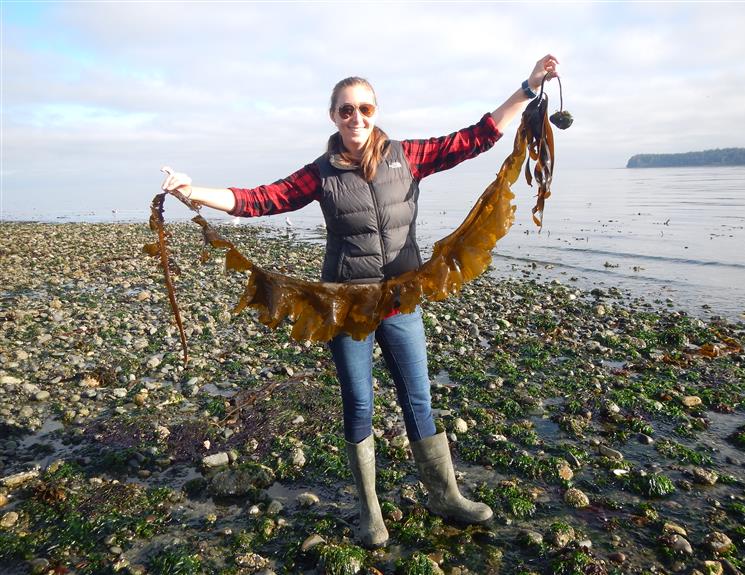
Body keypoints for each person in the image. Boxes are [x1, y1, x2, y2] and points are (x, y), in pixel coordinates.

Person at [161, 54, 559, 548]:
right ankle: (370, 512)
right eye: (346, 110)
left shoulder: (407, 154)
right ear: (333, 116)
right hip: (346, 309)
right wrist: (193, 191)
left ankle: (444, 494)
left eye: (364, 109)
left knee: (418, 398)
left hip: (400, 300)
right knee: (359, 403)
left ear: (376, 111)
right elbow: (261, 199)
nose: (357, 118)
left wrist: (528, 86)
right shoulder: (321, 174)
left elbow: (477, 136)